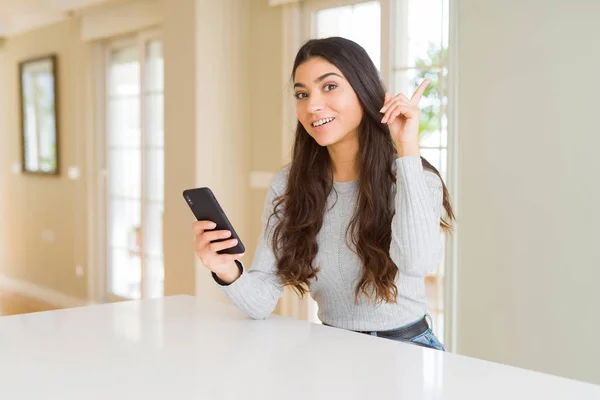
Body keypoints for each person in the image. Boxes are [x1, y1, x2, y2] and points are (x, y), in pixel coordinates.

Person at [192, 37, 455, 351]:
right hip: (332, 348)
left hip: (409, 349)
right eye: (302, 94)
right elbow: (260, 303)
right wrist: (225, 269)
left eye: (329, 86)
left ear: (363, 89)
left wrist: (407, 148)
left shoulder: (415, 178)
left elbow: (417, 262)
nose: (311, 105)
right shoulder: (290, 184)